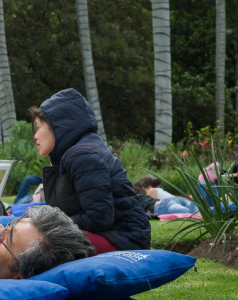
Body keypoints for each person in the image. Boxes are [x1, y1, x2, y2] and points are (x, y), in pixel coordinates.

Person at [30, 88, 150, 254]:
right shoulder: (75, 154)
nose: (35, 136)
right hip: (110, 236)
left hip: (122, 241)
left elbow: (99, 218)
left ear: (58, 126)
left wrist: (52, 227)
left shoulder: (83, 155)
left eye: (38, 127)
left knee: (35, 243)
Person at [134, 176, 199, 215]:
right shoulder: (158, 189)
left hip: (167, 204)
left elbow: (151, 206)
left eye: (142, 190)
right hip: (177, 200)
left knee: (191, 214)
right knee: (198, 212)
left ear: (148, 187)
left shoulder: (151, 190)